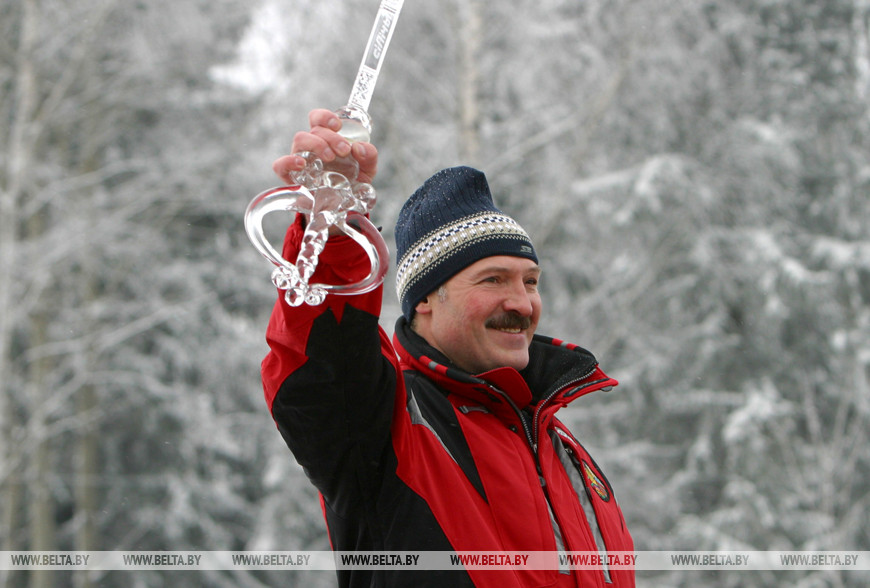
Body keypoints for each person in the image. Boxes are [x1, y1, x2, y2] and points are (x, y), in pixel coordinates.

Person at [261, 109, 635, 587]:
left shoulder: (567, 452)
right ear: (425, 304)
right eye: (493, 280)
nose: (521, 303)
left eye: (531, 282)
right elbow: (323, 364)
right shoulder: (389, 426)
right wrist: (331, 231)